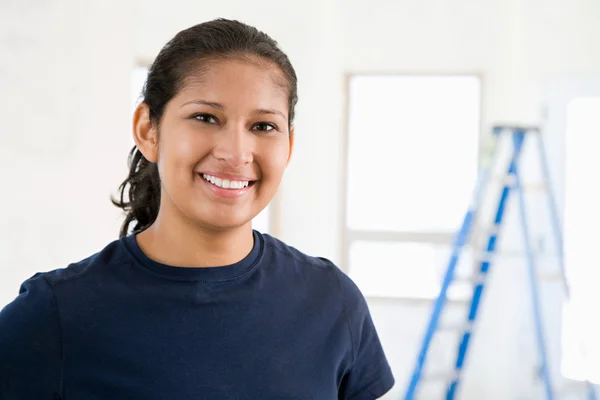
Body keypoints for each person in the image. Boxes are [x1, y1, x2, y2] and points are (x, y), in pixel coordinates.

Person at [0, 18, 394, 399]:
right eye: (205, 118)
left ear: (288, 146)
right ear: (147, 131)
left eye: (263, 126)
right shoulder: (56, 314)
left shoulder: (331, 301)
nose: (236, 153)